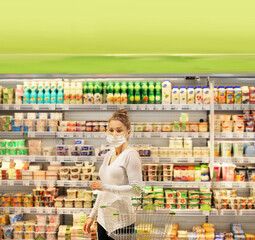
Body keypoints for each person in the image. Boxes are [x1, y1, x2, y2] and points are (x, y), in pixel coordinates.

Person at [83, 109, 142, 239]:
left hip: (122, 222)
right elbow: (102, 190)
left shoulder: (131, 155)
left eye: (119, 130)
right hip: (103, 220)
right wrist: (91, 215)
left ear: (128, 133)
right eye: (111, 130)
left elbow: (137, 190)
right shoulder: (109, 154)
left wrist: (105, 187)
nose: (114, 134)